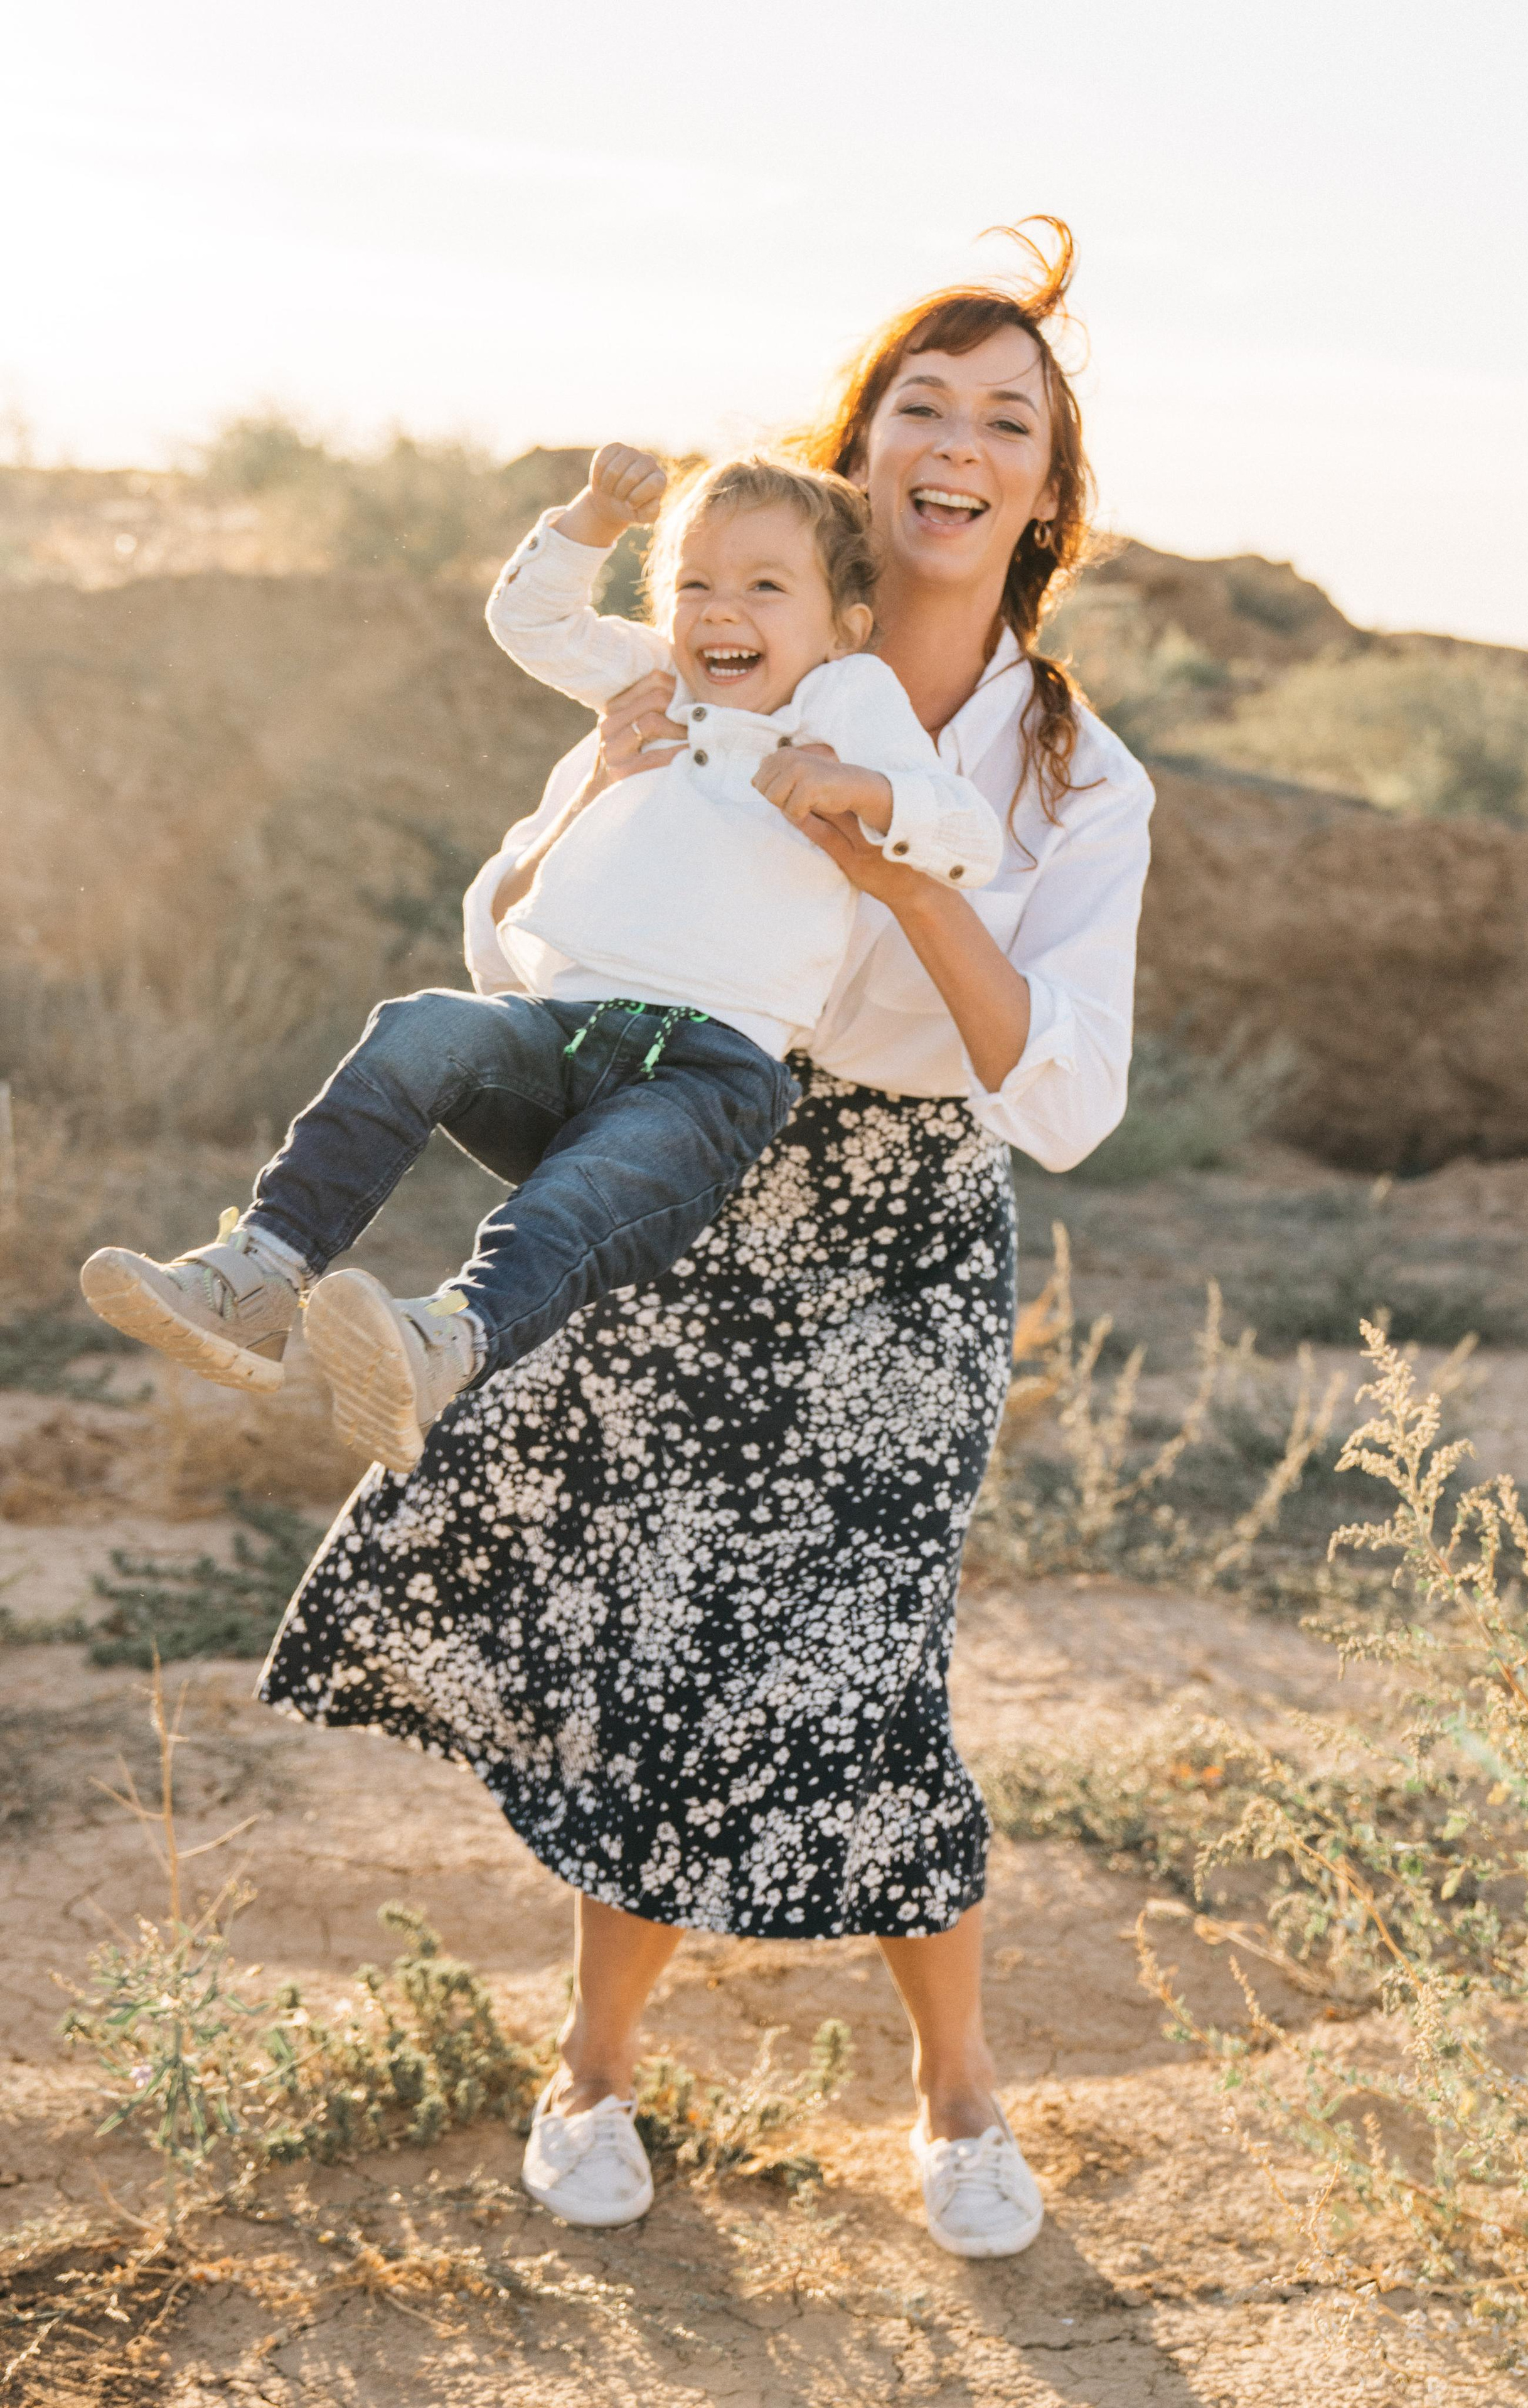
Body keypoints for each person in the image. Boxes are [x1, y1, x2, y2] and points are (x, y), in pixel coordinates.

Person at [257, 217, 1154, 2260]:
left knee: (866, 1669)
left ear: (1042, 495)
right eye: (921, 402)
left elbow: (1072, 1099)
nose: (957, 440)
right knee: (656, 1653)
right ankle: (593, 2068)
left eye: (1004, 418)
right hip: (668, 1182)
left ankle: (956, 2096)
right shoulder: (711, 650)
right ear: (859, 461)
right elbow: (514, 931)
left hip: (897, 1233)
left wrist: (905, 870)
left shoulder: (1076, 774)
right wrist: (609, 774)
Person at [75, 452, 999, 1476]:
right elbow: (531, 624)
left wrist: (859, 785)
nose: (720, 611)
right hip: (559, 1030)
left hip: (709, 1074)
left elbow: (970, 839)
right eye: (695, 583)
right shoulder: (656, 682)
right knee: (421, 1027)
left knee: (577, 1198)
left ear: (845, 628)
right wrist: (594, 518)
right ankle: (258, 1273)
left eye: (765, 586)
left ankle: (443, 1343)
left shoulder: (847, 702)